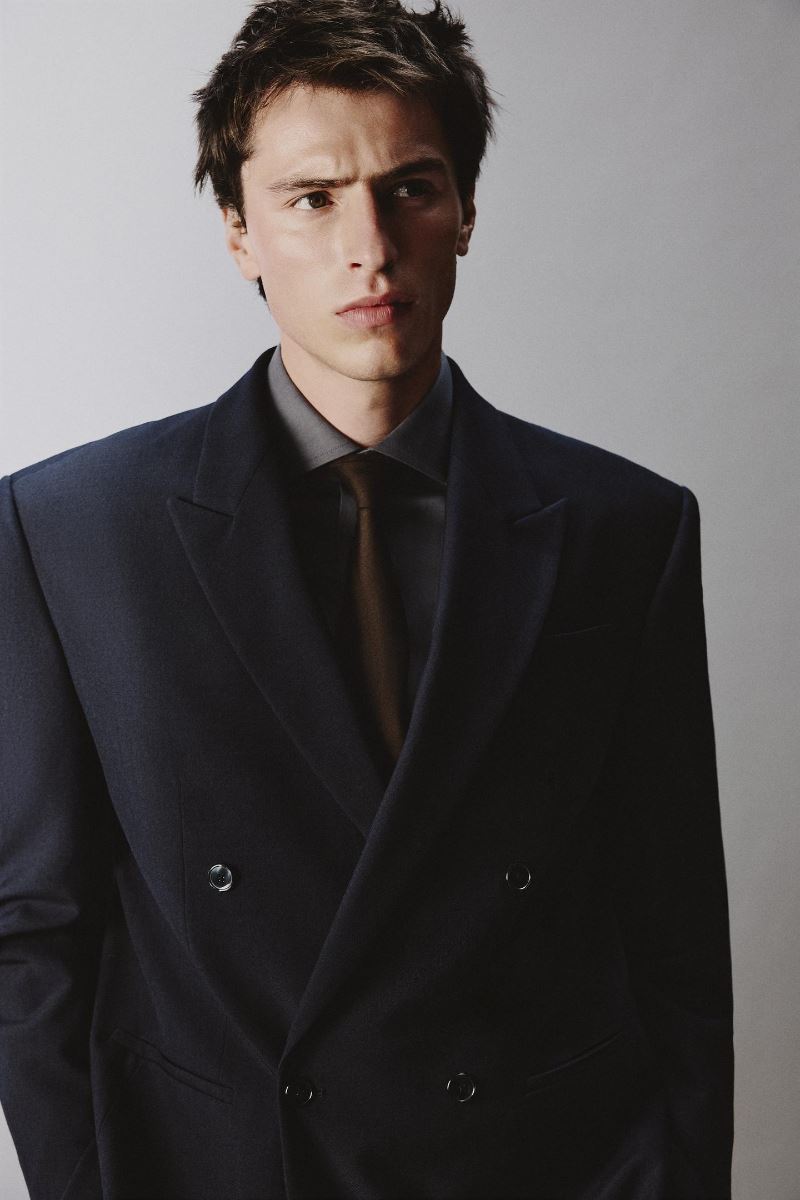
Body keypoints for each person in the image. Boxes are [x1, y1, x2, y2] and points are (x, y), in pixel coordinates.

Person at [0, 1, 734, 1197]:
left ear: (465, 210)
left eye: (410, 188)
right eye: (312, 198)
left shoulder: (621, 529)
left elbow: (672, 937)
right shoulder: (72, 529)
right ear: (238, 232)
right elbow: (33, 932)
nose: (370, 247)